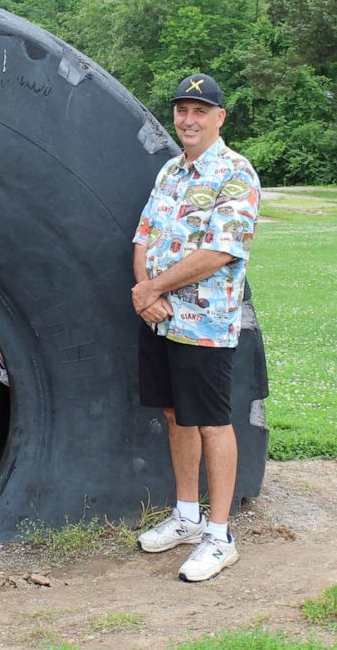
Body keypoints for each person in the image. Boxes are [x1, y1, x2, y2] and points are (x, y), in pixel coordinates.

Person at [131, 73, 260, 582]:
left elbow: (218, 252)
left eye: (200, 111)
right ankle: (187, 517)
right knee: (174, 414)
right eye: (183, 110)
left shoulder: (235, 174)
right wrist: (145, 292)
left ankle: (220, 535)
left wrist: (153, 289)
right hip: (160, 319)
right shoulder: (170, 172)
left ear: (219, 118)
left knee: (211, 421)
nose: (189, 119)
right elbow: (144, 234)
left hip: (204, 324)